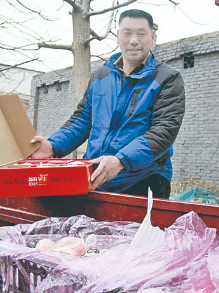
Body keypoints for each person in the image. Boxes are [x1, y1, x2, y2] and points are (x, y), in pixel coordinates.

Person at [31, 9, 185, 199]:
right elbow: (82, 120)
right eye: (127, 33)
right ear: (118, 36)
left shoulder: (167, 78)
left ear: (152, 37)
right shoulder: (100, 76)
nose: (134, 40)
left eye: (141, 33)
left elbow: (164, 130)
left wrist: (122, 160)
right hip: (95, 176)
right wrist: (53, 145)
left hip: (143, 178)